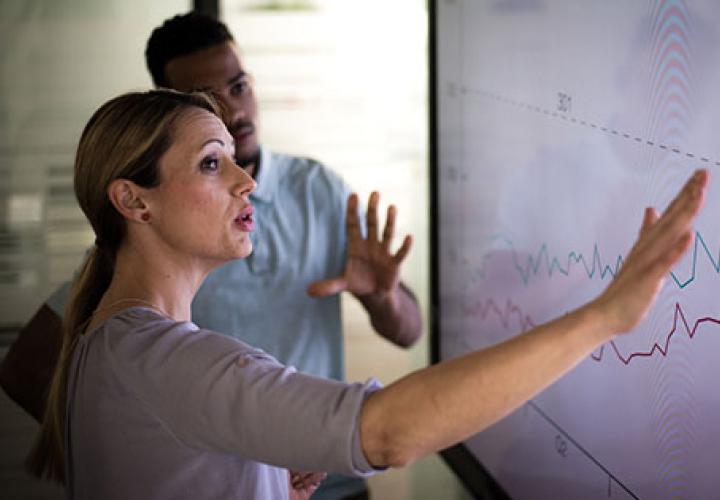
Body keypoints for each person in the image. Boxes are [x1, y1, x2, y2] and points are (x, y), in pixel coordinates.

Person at [26, 89, 708, 499]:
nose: (247, 181)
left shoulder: (108, 343)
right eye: (211, 163)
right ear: (132, 202)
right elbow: (387, 434)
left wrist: (258, 485)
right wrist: (602, 319)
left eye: (234, 157)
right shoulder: (165, 359)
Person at [0, 13, 421, 499]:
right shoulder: (151, 316)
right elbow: (388, 432)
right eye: (208, 161)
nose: (236, 111)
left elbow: (408, 331)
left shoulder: (317, 190)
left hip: (316, 483)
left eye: (240, 86)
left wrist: (382, 298)